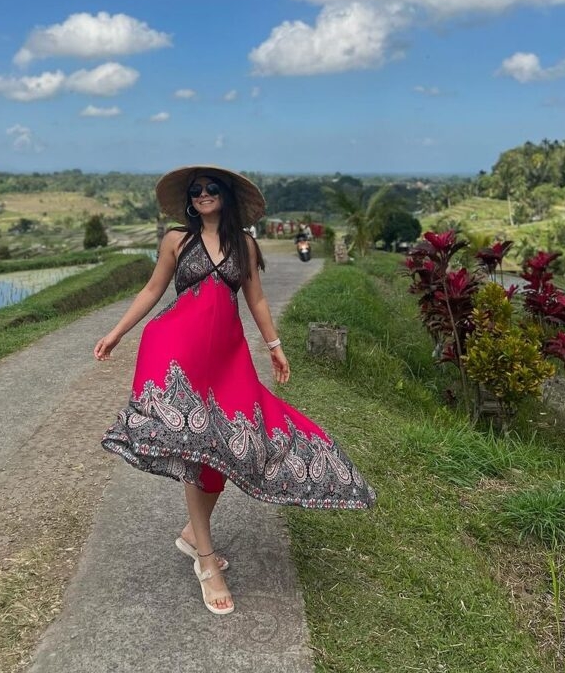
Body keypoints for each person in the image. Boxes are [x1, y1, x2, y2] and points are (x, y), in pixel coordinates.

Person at [94, 165, 376, 617]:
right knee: (197, 446)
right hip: (175, 353)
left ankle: (192, 533)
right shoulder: (175, 240)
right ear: (190, 199)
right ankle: (207, 562)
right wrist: (118, 332)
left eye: (211, 188)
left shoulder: (244, 245)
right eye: (196, 190)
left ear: (225, 196)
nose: (203, 195)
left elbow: (256, 300)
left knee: (236, 446)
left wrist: (276, 348)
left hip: (227, 359)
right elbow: (152, 290)